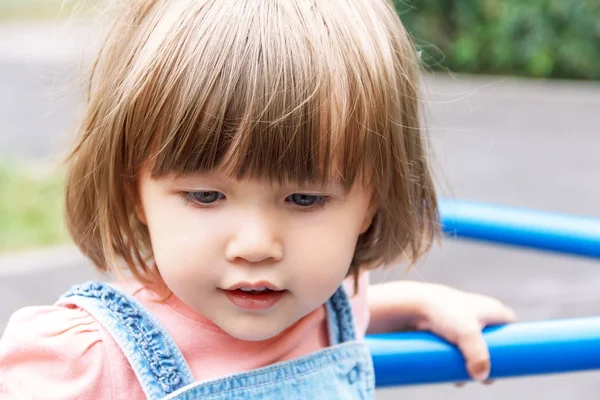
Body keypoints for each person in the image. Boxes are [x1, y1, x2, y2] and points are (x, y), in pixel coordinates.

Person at [0, 0, 516, 398]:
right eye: (205, 195)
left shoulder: (330, 305)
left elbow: (348, 307)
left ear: (372, 202)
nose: (254, 246)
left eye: (305, 198)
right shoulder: (84, 361)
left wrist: (419, 304)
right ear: (134, 191)